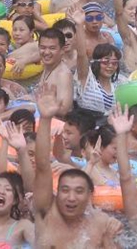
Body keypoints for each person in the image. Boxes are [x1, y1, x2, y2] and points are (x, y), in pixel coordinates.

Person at [33, 82, 123, 248]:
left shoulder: (102, 223)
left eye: (79, 191)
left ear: (90, 195)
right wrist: (45, 118)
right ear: (57, 192)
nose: (71, 197)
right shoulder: (47, 211)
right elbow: (42, 165)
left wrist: (109, 239)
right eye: (65, 190)